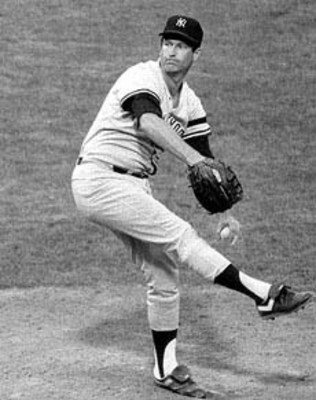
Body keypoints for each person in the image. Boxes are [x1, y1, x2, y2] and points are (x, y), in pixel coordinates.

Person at [71, 15, 313, 399]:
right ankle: (264, 294)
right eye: (167, 42)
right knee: (180, 234)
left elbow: (206, 159)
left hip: (133, 185)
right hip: (100, 179)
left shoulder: (190, 101)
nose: (171, 51)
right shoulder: (142, 77)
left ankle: (166, 369)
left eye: (181, 45)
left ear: (195, 55)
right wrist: (192, 161)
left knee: (164, 273)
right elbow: (149, 122)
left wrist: (226, 213)